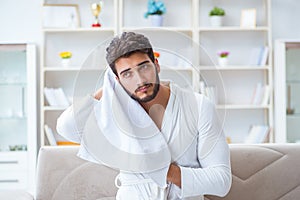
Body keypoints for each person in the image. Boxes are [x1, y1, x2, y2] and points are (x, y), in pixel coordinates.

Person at [56, 32, 232, 200]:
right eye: (127, 74)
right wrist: (108, 88)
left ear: (156, 64)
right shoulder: (116, 112)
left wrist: (163, 170)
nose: (140, 81)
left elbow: (221, 181)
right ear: (116, 81)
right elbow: (66, 127)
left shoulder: (199, 106)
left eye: (144, 67)